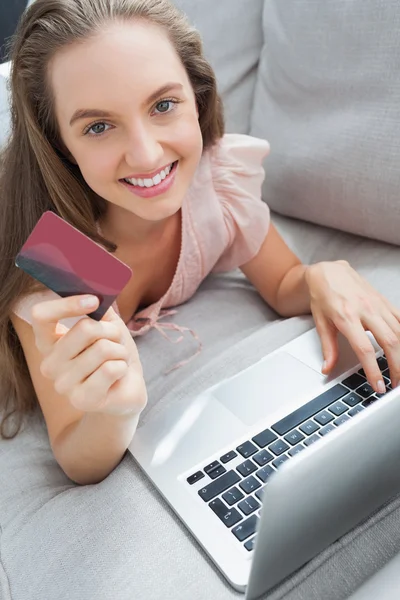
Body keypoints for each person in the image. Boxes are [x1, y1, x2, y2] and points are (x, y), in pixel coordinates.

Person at [1, 0, 399, 486]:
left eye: (163, 105)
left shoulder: (214, 184)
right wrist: (115, 411)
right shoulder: (54, 255)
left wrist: (322, 274)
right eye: (99, 127)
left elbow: (284, 282)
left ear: (198, 95)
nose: (147, 155)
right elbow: (78, 454)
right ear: (58, 142)